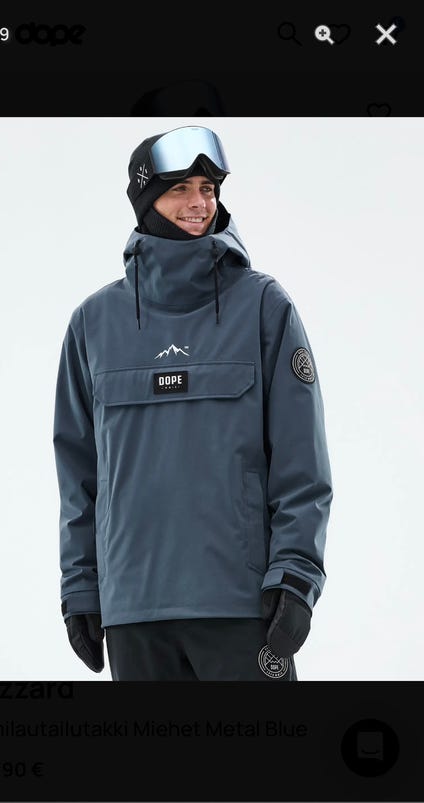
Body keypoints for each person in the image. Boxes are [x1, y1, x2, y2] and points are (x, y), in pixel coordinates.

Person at [53, 125, 333, 681]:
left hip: (242, 605)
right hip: (133, 611)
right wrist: (81, 586)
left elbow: (302, 461)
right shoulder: (93, 324)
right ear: (145, 200)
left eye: (208, 188)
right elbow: (79, 476)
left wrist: (297, 576)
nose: (199, 203)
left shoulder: (263, 307)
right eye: (180, 189)